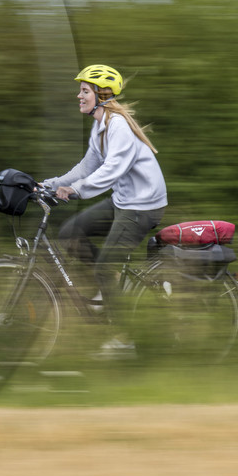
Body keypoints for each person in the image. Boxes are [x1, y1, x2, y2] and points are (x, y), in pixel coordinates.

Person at [40, 64, 166, 311]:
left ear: (102, 95)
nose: (79, 96)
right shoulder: (100, 127)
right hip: (123, 201)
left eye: (85, 91)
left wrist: (74, 190)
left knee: (104, 268)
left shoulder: (118, 127)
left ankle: (125, 337)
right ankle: (113, 284)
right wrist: (48, 184)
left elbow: (111, 171)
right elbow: (86, 168)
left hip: (142, 207)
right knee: (69, 234)